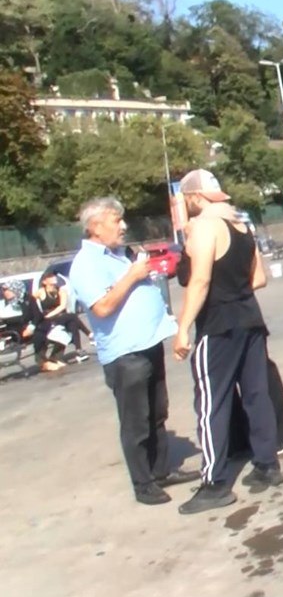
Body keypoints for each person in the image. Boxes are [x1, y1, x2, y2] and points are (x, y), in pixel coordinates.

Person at [68, 197, 199, 505]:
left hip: (147, 343)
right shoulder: (86, 263)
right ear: (95, 227)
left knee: (157, 412)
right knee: (136, 420)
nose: (123, 226)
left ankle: (161, 470)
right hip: (125, 354)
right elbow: (101, 307)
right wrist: (132, 276)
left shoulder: (117, 254)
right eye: (116, 221)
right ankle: (143, 483)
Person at [172, 169, 283, 515]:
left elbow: (200, 280)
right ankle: (267, 464)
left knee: (211, 403)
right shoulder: (242, 226)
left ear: (194, 197)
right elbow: (259, 278)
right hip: (249, 318)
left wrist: (183, 327)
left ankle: (215, 482)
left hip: (217, 325)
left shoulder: (204, 227)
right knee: (256, 394)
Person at [32, 270, 89, 363]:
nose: (54, 278)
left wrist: (52, 314)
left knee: (72, 321)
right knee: (72, 317)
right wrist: (39, 314)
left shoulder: (61, 290)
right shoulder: (41, 292)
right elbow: (30, 302)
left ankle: (78, 349)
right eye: (50, 277)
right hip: (49, 319)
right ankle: (86, 339)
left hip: (60, 316)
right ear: (44, 281)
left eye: (54, 276)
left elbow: (62, 306)